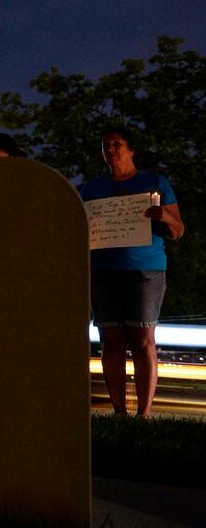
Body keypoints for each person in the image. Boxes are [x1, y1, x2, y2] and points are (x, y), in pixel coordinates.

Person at [81, 127, 184, 417]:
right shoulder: (91, 189)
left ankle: (144, 412)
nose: (111, 149)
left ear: (131, 149)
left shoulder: (154, 182)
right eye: (106, 145)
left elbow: (178, 230)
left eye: (117, 144)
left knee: (142, 339)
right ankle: (119, 412)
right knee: (111, 340)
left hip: (145, 269)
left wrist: (163, 215)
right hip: (103, 270)